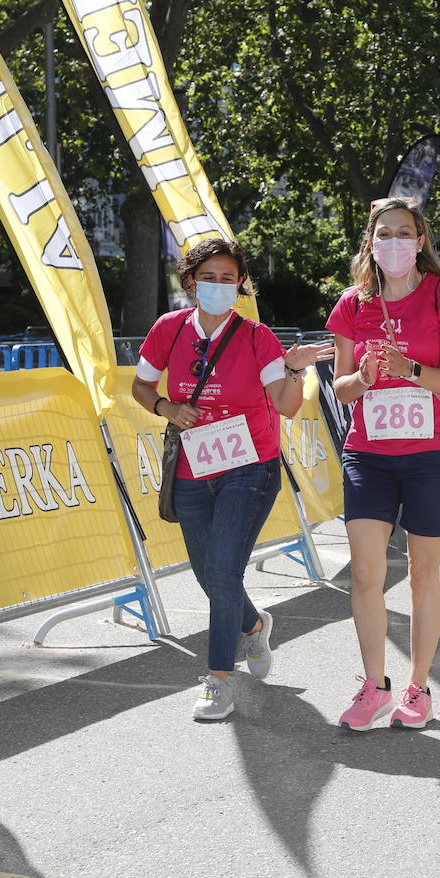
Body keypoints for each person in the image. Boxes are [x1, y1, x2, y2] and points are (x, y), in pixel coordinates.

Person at [132, 238, 333, 720]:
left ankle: (217, 680)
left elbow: (285, 405)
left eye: (228, 278)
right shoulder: (169, 329)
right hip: (191, 468)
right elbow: (141, 385)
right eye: (209, 277)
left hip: (250, 468)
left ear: (240, 284)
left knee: (223, 572)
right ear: (189, 282)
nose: (219, 286)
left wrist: (293, 367)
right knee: (208, 574)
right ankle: (252, 625)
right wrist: (167, 407)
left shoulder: (256, 336)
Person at [326, 197, 440, 731]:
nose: (393, 242)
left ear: (420, 242)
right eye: (383, 234)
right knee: (365, 573)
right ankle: (375, 686)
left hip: (435, 455)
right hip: (369, 454)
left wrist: (408, 368)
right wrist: (364, 378)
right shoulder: (352, 304)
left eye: (403, 233)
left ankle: (419, 686)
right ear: (371, 243)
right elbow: (341, 388)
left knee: (421, 573)